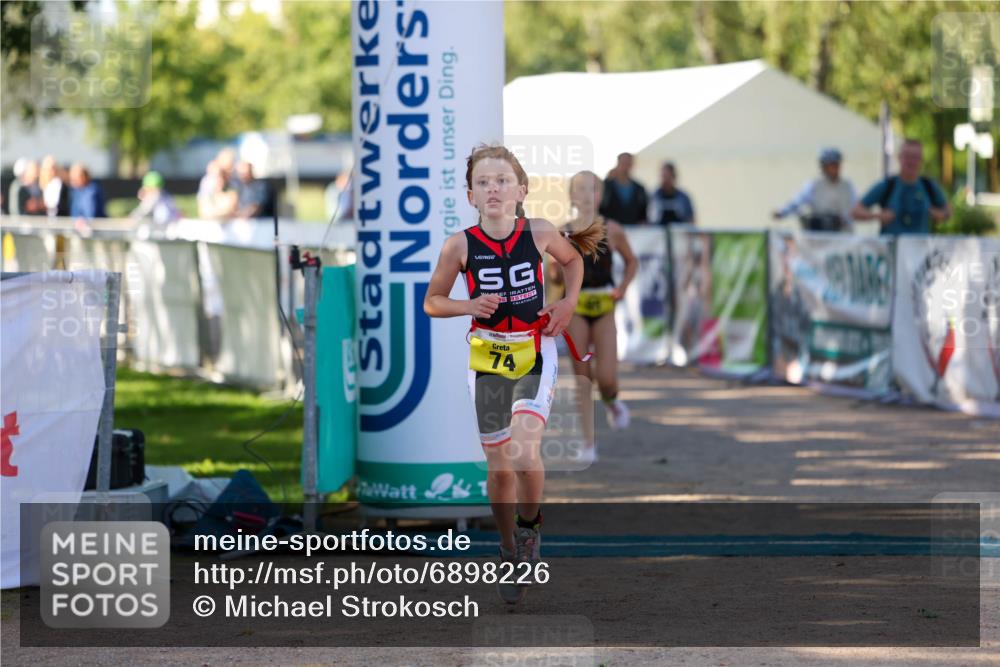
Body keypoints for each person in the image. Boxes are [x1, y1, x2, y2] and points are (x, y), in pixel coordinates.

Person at [424, 144, 593, 604]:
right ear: (470, 196)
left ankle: (529, 528)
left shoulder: (538, 232)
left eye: (501, 180)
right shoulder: (458, 245)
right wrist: (467, 305)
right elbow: (432, 301)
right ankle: (506, 548)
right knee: (499, 468)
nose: (493, 188)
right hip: (487, 357)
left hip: (535, 349)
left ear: (521, 190)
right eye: (483, 182)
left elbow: (574, 260)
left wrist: (568, 302)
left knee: (524, 447)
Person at [561, 171, 638, 462]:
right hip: (576, 307)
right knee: (583, 377)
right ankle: (588, 443)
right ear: (571, 195)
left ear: (601, 196)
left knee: (606, 377)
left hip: (604, 306)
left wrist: (623, 287)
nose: (585, 194)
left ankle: (612, 400)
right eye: (579, 189)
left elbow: (632, 261)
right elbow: (553, 274)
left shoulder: (613, 229)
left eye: (592, 189)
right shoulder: (563, 232)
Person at [851, 139, 951, 235]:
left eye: (915, 157)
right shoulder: (888, 185)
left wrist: (939, 214)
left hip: (921, 248)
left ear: (921, 160)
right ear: (899, 157)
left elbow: (948, 211)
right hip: (892, 249)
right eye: (907, 156)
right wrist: (878, 216)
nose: (911, 161)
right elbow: (856, 212)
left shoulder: (928, 185)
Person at [774, 148, 856, 232]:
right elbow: (797, 201)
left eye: (834, 165)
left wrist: (844, 219)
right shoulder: (814, 185)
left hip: (843, 235)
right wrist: (782, 212)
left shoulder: (847, 186)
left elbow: (855, 208)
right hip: (819, 235)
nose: (831, 169)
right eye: (827, 166)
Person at [600, 152, 648, 224]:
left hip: (634, 230)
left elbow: (643, 212)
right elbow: (600, 208)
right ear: (617, 164)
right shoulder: (606, 186)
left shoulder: (639, 188)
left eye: (628, 163)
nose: (625, 167)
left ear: (632, 165)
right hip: (610, 230)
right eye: (623, 163)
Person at [649, 161, 695, 226]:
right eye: (663, 176)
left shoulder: (683, 198)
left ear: (674, 177)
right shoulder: (654, 197)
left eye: (667, 176)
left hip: (679, 233)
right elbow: (648, 219)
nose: (665, 180)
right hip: (657, 233)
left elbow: (691, 219)